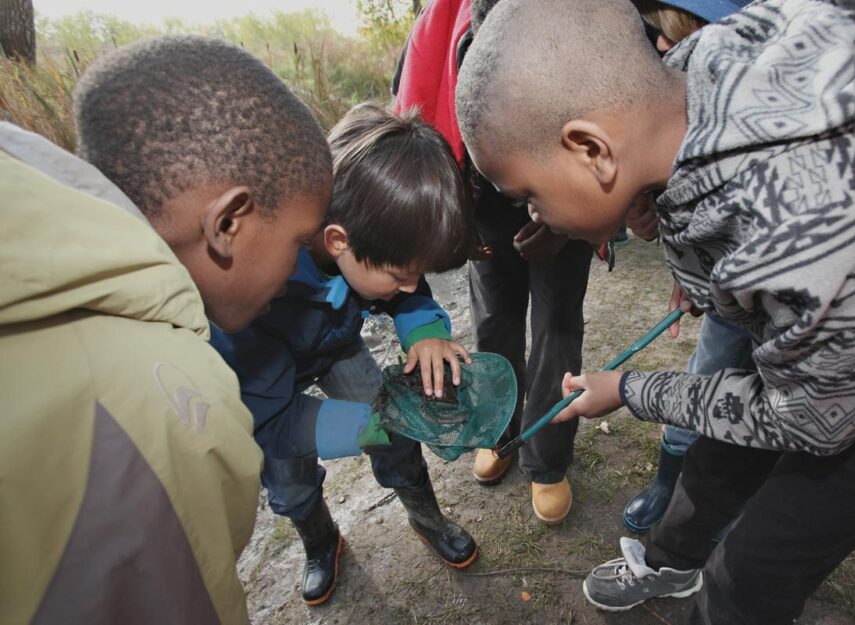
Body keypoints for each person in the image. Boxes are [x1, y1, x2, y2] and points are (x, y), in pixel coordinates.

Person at [455, 0, 855, 622]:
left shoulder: (809, 223)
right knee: (718, 454)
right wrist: (683, 237)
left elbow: (816, 420)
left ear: (592, 149)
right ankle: (669, 563)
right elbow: (720, 202)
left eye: (528, 195)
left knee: (755, 567)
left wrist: (631, 389)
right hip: (839, 334)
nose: (534, 216)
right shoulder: (686, 77)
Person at [1, 36, 333, 624]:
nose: (294, 270)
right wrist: (376, 427)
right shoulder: (156, 394)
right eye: (296, 242)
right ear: (228, 223)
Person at [210, 103, 479, 607]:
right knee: (286, 475)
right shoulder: (254, 283)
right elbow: (272, 420)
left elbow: (404, 290)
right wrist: (362, 426)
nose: (411, 285)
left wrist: (423, 328)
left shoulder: (366, 239)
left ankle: (426, 516)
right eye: (401, 274)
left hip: (338, 348)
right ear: (338, 242)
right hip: (269, 382)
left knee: (395, 432)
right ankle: (320, 540)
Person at [393, 0, 591, 525]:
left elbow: (601, 115)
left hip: (562, 201)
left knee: (556, 328)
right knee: (494, 321)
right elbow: (424, 119)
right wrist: (461, 221)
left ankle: (547, 460)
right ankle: (501, 433)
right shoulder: (440, 20)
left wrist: (567, 216)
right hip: (483, 206)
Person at [623, 0, 756, 535]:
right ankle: (670, 479)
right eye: (649, 32)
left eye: (665, 30)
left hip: (782, 298)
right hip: (727, 294)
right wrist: (689, 269)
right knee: (712, 365)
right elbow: (670, 216)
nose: (657, 46)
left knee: (759, 392)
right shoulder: (672, 96)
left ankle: (731, 496)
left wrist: (627, 389)